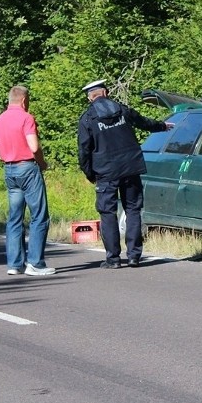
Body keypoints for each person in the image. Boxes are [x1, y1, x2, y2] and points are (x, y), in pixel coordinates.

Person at [77, 80, 174, 269]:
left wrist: (89, 173)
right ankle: (134, 256)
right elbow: (143, 122)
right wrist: (162, 126)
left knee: (107, 212)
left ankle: (113, 259)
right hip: (130, 168)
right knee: (133, 209)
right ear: (105, 92)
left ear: (90, 97)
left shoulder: (87, 119)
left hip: (105, 172)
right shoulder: (121, 109)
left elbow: (83, 150)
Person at [0, 86, 56, 276]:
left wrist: (9, 155)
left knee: (14, 217)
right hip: (27, 168)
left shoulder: (0, 120)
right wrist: (42, 163)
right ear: (24, 100)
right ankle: (35, 263)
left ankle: (14, 263)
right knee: (39, 215)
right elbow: (34, 146)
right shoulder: (26, 118)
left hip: (9, 169)